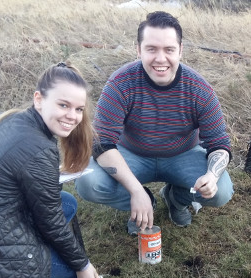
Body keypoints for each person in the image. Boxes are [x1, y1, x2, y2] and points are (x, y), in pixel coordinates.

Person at [0, 62, 101, 278]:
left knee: (67, 202)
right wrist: (82, 265)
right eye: (63, 105)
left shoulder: (5, 119)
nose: (72, 117)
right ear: (39, 99)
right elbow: (50, 221)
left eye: (79, 109)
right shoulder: (38, 148)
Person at [75, 11, 234, 234]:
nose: (160, 59)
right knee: (88, 182)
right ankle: (143, 203)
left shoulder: (200, 89)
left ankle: (176, 199)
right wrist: (136, 193)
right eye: (151, 49)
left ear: (180, 50)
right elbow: (102, 143)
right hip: (132, 154)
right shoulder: (120, 83)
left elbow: (219, 144)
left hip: (183, 155)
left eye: (169, 49)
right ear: (138, 50)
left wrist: (211, 176)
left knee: (222, 190)